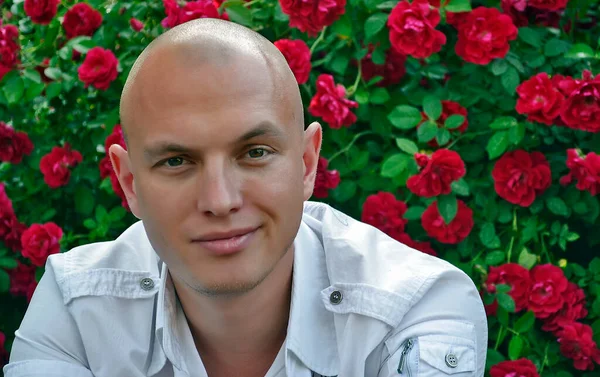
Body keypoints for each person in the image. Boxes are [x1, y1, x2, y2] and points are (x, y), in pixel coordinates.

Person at [3, 18, 487, 377]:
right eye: (176, 161)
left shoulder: (414, 309)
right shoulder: (77, 310)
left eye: (254, 152)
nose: (219, 199)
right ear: (130, 184)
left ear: (306, 164)